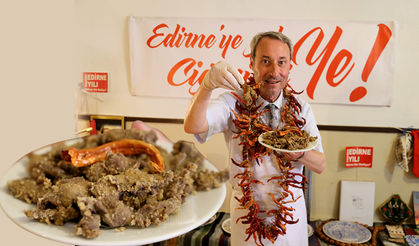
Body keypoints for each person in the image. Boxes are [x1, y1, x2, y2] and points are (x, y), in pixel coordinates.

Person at [184, 31, 326, 245]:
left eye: (282, 62)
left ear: (290, 67)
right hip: (246, 217)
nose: (274, 72)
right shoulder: (233, 102)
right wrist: (207, 85)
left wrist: (300, 153)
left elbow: (320, 164)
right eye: (266, 61)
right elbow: (193, 125)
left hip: (291, 221)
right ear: (252, 63)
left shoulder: (301, 109)